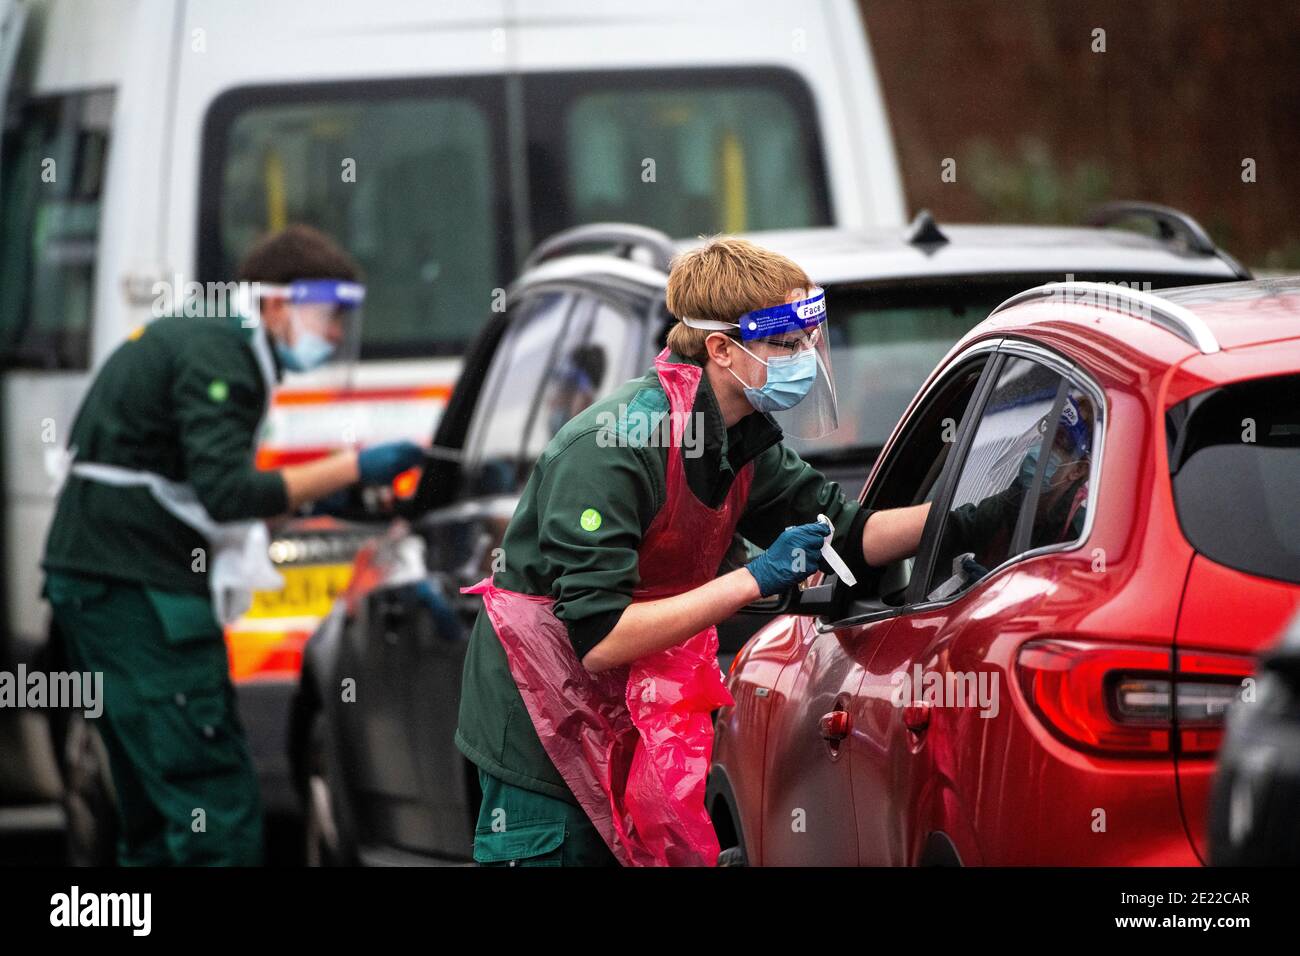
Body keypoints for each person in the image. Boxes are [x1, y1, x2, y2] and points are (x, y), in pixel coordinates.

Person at [455, 237, 931, 866]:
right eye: (786, 345)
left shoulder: (738, 441)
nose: (804, 361)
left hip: (634, 716)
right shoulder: (613, 446)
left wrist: (973, 513)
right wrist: (756, 576)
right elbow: (601, 636)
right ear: (720, 348)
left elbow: (851, 530)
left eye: (809, 343)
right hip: (545, 737)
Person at [40, 224, 426, 865]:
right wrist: (352, 467)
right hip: (136, 591)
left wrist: (313, 499)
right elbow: (225, 492)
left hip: (101, 582)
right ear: (278, 303)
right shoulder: (224, 357)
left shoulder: (210, 338)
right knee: (211, 810)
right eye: (329, 315)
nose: (334, 334)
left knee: (151, 811)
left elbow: (184, 478)